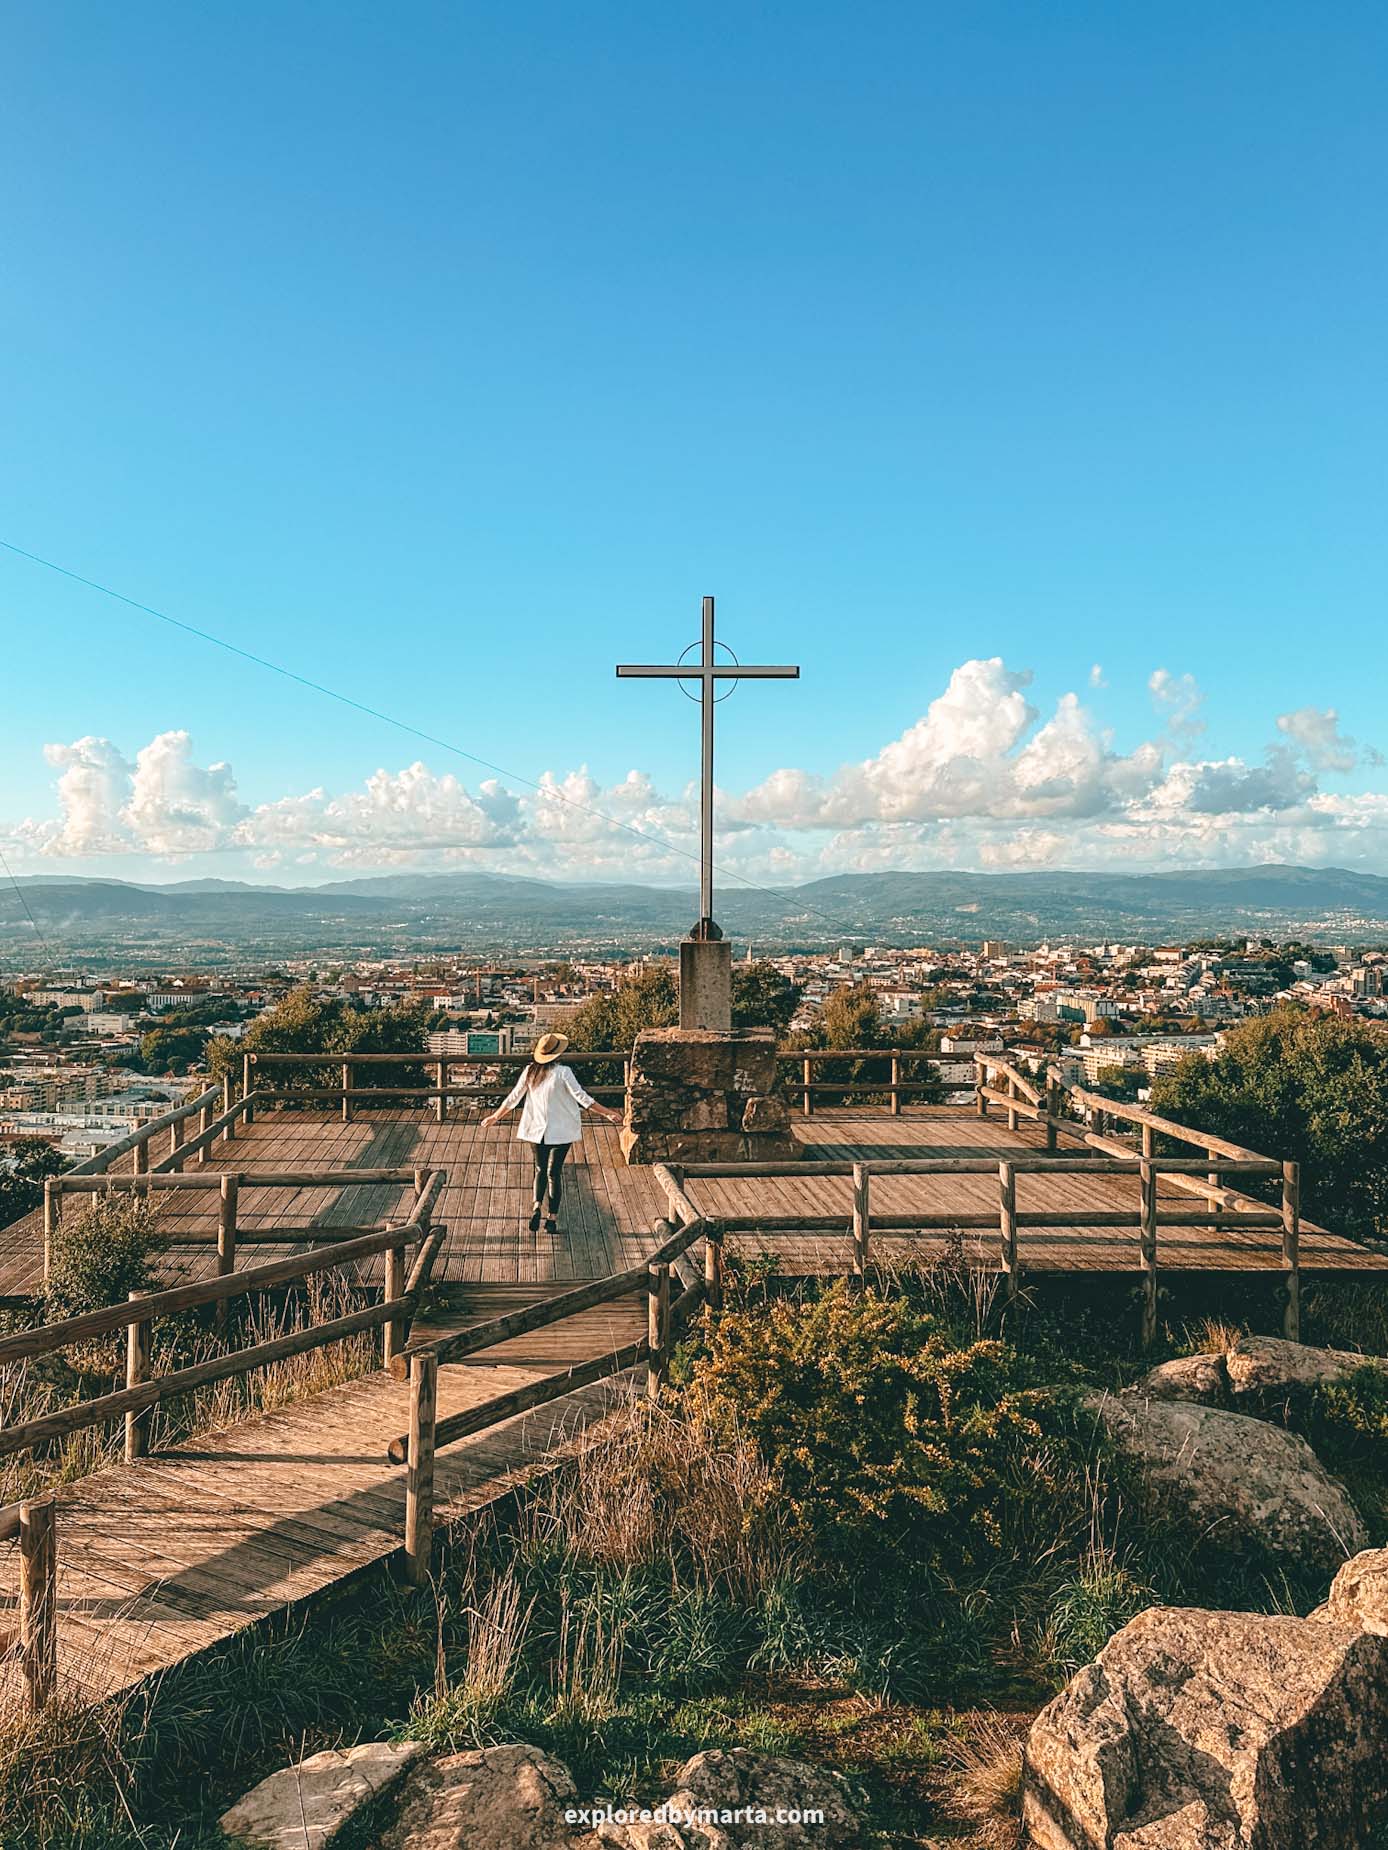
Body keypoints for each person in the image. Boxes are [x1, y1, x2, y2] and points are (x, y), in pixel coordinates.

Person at [481, 1032, 623, 1233]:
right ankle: (552, 1219)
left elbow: (513, 1097)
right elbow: (583, 1098)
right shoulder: (563, 1072)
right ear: (557, 1053)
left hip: (536, 1129)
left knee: (540, 1169)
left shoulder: (530, 1071)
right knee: (554, 1173)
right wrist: (608, 1113)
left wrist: (495, 1116)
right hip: (561, 1130)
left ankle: (536, 1206)